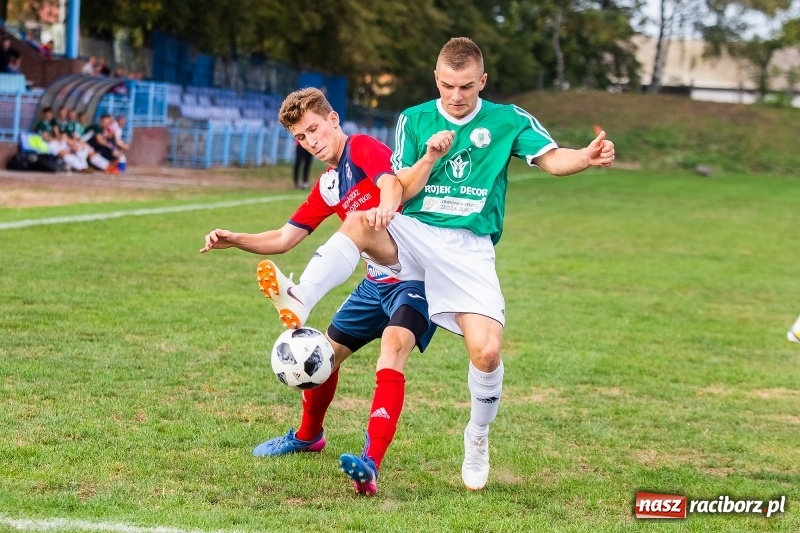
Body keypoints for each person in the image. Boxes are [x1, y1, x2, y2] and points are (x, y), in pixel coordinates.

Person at [258, 37, 615, 491]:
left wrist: (585, 156)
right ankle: (301, 297)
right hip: (417, 232)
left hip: (469, 249)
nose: (456, 95)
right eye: (448, 85)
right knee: (360, 220)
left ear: (481, 81)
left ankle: (478, 436)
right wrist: (425, 161)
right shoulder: (415, 119)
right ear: (437, 79)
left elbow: (552, 159)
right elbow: (400, 183)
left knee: (486, 353)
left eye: (466, 86)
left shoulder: (507, 120)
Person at [199, 87, 437, 496]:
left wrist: (384, 203)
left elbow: (392, 182)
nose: (311, 142)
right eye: (301, 138)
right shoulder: (330, 184)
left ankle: (370, 464)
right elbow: (283, 238)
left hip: (416, 274)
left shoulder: (361, 147)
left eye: (314, 129)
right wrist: (235, 238)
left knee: (393, 349)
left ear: (333, 120)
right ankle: (308, 436)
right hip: (376, 280)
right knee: (322, 354)